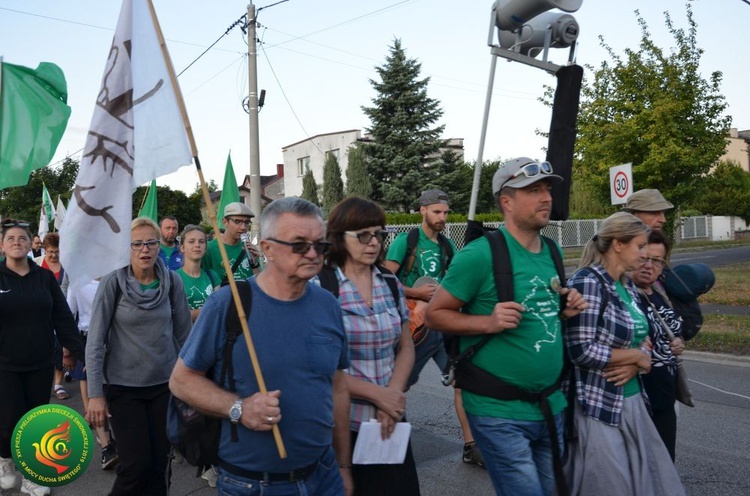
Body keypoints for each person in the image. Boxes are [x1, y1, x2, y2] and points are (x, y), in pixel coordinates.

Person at [170, 197, 353, 496]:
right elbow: (181, 380)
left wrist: (343, 467)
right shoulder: (228, 304)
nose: (312, 253)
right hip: (252, 483)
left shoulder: (328, 305)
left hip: (324, 474)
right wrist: (239, 408)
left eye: (319, 245)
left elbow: (338, 387)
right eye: (299, 244)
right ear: (266, 248)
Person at [425, 157, 587, 495]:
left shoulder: (553, 251)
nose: (545, 197)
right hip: (497, 411)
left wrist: (565, 310)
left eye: (547, 189)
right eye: (533, 190)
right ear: (506, 201)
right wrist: (488, 321)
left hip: (551, 405)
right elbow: (434, 315)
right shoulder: (479, 255)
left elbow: (543, 315)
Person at [563, 212, 686, 495]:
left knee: (648, 483)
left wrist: (637, 358)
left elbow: (642, 336)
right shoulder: (588, 282)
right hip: (599, 405)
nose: (645, 255)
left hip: (632, 401)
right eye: (640, 247)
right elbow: (580, 350)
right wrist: (635, 357)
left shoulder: (626, 284)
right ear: (618, 244)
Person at [318, 196, 420, 495]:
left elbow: (406, 346)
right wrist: (378, 396)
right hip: (343, 426)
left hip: (390, 422)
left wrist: (392, 397)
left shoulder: (388, 281)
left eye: (379, 234)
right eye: (363, 235)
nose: (373, 242)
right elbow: (320, 365)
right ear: (339, 237)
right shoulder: (322, 286)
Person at [85, 217, 192, 496]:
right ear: (126, 248)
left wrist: (193, 384)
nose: (144, 249)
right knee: (135, 466)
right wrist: (95, 394)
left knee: (159, 466)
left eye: (150, 243)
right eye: (136, 244)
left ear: (160, 246)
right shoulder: (112, 283)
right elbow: (95, 341)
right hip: (124, 389)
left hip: (164, 387)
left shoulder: (172, 283)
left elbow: (185, 337)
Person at [384, 189, 483, 468]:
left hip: (444, 327)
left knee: (462, 381)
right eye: (437, 211)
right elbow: (385, 280)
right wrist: (416, 294)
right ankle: (384, 446)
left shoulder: (448, 246)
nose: (443, 217)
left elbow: (455, 283)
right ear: (423, 210)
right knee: (397, 386)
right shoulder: (406, 242)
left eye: (446, 212)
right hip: (413, 329)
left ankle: (470, 446)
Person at [0, 219, 85, 496]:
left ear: (29, 243)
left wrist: (84, 355)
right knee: (7, 421)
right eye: (10, 238)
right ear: (2, 245)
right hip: (5, 365)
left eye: (22, 238)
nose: (16, 242)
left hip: (40, 363)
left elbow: (62, 317)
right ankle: (5, 461)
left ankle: (33, 475)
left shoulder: (45, 277)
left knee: (35, 422)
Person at [631, 230, 685, 462]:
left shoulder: (660, 294)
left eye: (657, 261)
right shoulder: (624, 295)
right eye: (644, 258)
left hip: (665, 394)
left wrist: (678, 341)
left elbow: (673, 330)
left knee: (665, 463)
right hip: (639, 397)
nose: (649, 266)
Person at [67, 278, 119, 471]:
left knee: (116, 392)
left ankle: (117, 439)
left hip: (117, 338)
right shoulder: (77, 282)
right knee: (96, 394)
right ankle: (106, 447)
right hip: (88, 340)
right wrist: (68, 350)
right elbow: (68, 314)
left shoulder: (117, 277)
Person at [33, 233, 71, 401]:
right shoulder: (36, 264)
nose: (54, 255)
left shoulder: (66, 266)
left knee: (60, 347)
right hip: (39, 312)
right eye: (50, 252)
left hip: (60, 310)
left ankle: (58, 384)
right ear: (45, 250)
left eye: (57, 251)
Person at [202, 202, 260, 283]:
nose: (243, 227)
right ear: (225, 222)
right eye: (237, 221)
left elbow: (259, 284)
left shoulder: (250, 249)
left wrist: (255, 264)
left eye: (246, 223)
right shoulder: (209, 249)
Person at [176, 224, 219, 323]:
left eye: (201, 242)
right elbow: (176, 316)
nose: (197, 245)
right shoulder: (174, 278)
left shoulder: (212, 276)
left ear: (205, 247)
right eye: (191, 241)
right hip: (186, 336)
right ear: (182, 247)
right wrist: (208, 310)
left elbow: (218, 311)